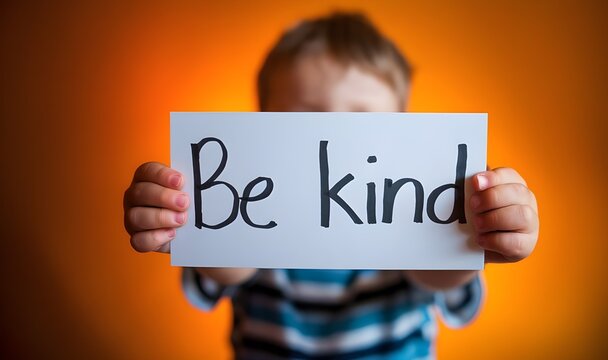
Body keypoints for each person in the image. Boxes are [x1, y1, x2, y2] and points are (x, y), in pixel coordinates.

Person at [123, 12, 539, 359]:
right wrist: (186, 211)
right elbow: (226, 265)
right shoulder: (253, 217)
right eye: (307, 120)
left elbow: (439, 273)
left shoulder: (414, 218)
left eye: (361, 121)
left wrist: (482, 219)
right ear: (260, 128)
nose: (333, 144)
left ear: (404, 134)